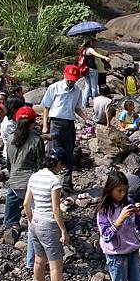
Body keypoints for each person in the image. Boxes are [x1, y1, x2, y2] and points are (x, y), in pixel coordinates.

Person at [23, 147, 80, 281]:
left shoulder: (34, 176)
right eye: (62, 165)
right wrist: (63, 230)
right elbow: (56, 209)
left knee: (39, 259)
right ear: (58, 163)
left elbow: (26, 204)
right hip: (48, 224)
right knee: (56, 267)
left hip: (34, 223)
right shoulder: (54, 181)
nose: (62, 168)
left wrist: (31, 220)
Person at [41, 65, 91, 193]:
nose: (71, 82)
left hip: (69, 123)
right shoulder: (54, 87)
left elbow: (77, 108)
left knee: (68, 153)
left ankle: (67, 183)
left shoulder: (77, 91)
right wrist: (45, 126)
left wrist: (86, 119)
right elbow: (46, 107)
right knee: (53, 152)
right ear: (64, 76)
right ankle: (49, 182)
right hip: (55, 122)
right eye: (69, 79)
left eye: (73, 80)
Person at [5, 106, 44, 230]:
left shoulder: (11, 138)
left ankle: (11, 221)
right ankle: (36, 223)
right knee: (36, 203)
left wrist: (11, 174)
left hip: (14, 178)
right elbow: (40, 163)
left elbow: (9, 161)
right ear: (32, 123)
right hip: (30, 182)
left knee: (12, 195)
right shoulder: (36, 140)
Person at [79, 40, 110, 108]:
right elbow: (96, 54)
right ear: (90, 42)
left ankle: (85, 104)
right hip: (92, 69)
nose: (95, 43)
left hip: (86, 70)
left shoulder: (83, 50)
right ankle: (96, 104)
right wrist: (105, 57)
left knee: (88, 87)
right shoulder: (90, 49)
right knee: (94, 87)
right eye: (93, 42)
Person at [1, 95, 26, 163]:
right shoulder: (8, 124)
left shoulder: (15, 120)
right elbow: (19, 139)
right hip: (12, 155)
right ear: (14, 109)